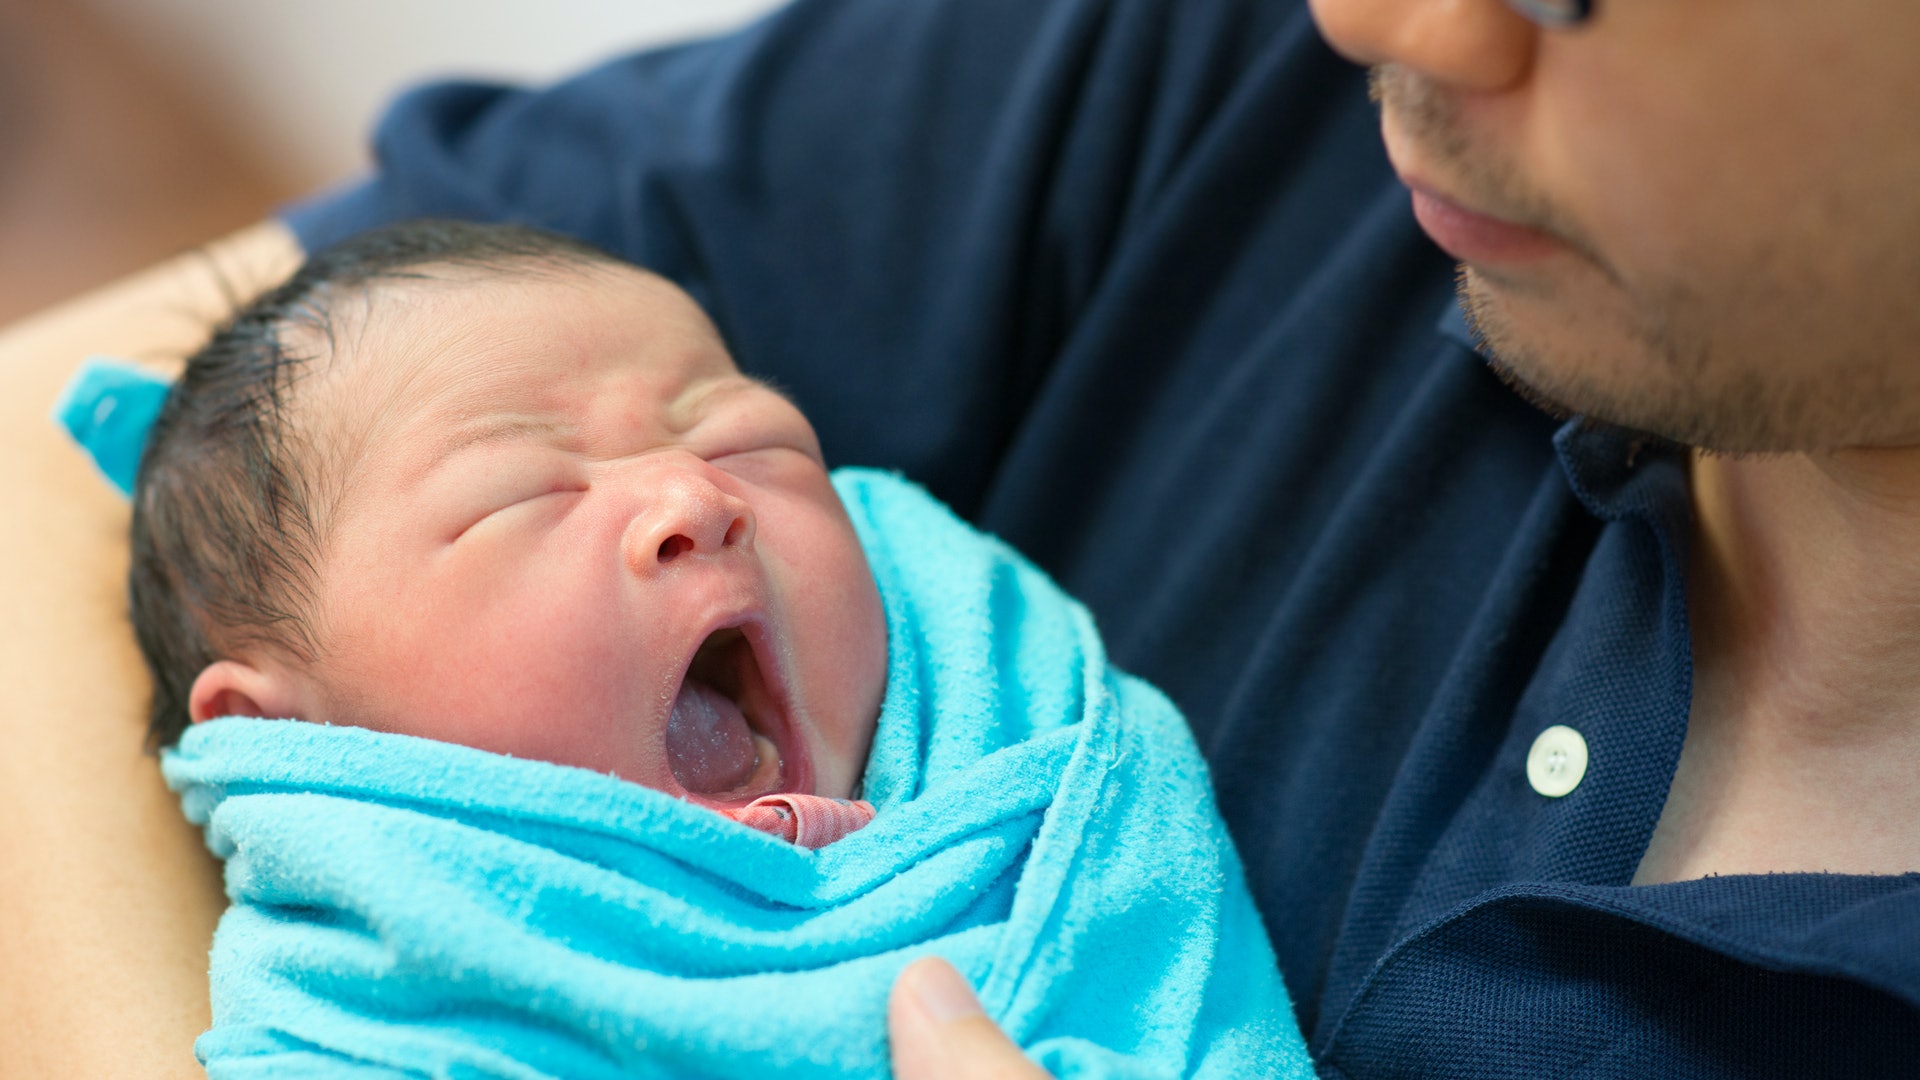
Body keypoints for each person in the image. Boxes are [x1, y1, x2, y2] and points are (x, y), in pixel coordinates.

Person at [4, 0, 1917, 1076]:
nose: (1379, 19)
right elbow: (34, 451)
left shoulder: (1022, 748)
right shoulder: (1232, 82)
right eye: (523, 498)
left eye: (746, 437)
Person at [118, 217, 1307, 1077]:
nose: (697, 494)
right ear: (294, 738)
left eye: (748, 441)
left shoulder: (1037, 786)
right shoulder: (374, 1019)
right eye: (523, 494)